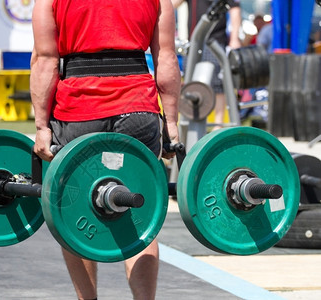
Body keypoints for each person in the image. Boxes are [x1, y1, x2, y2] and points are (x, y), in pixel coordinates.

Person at [30, 0, 181, 299]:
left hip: (79, 112)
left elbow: (45, 59)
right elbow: (166, 58)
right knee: (141, 211)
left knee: (73, 211)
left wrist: (41, 127)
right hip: (139, 110)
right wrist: (172, 122)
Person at [172, 0, 241, 130]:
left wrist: (235, 38)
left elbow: (235, 9)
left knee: (218, 85)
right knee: (191, 83)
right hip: (194, 41)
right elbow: (173, 4)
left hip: (214, 41)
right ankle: (189, 122)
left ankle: (218, 124)